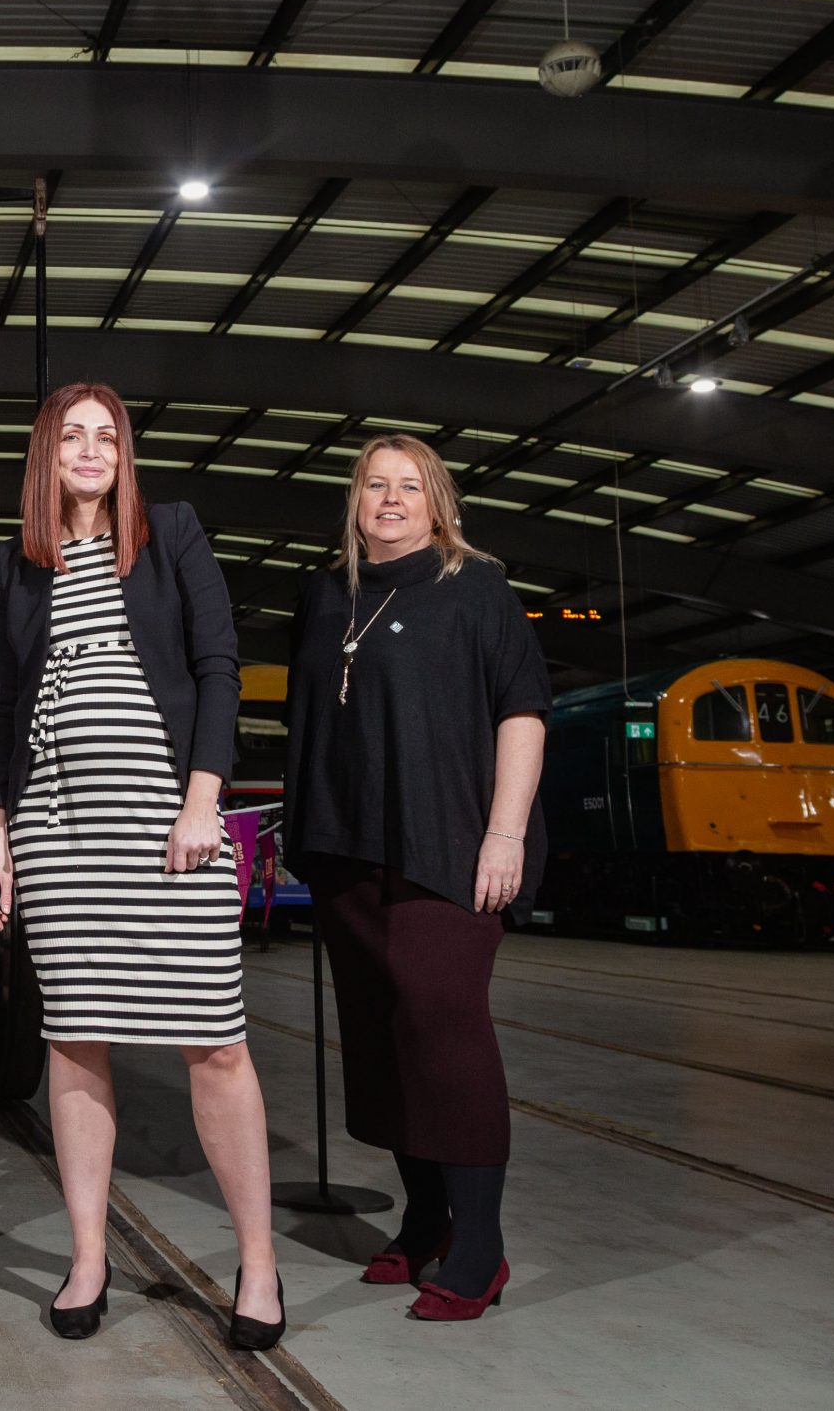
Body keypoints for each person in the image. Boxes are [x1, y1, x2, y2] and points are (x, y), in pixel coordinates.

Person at [0, 384, 284, 1350]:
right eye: (74, 435)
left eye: (108, 435)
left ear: (125, 452)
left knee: (216, 1042)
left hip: (165, 826)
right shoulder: (17, 566)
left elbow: (219, 665)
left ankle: (258, 1262)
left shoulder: (170, 531)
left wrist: (201, 801)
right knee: (77, 1038)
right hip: (58, 835)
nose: (92, 450)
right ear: (46, 455)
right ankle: (90, 1255)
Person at [282, 433, 550, 1323]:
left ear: (437, 502)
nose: (389, 499)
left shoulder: (474, 587)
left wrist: (504, 833)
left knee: (443, 1024)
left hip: (452, 843)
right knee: (383, 1034)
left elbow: (522, 712)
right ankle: (426, 1214)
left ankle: (480, 1240)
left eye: (409, 486)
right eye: (373, 485)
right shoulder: (326, 593)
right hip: (348, 847)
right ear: (354, 500)